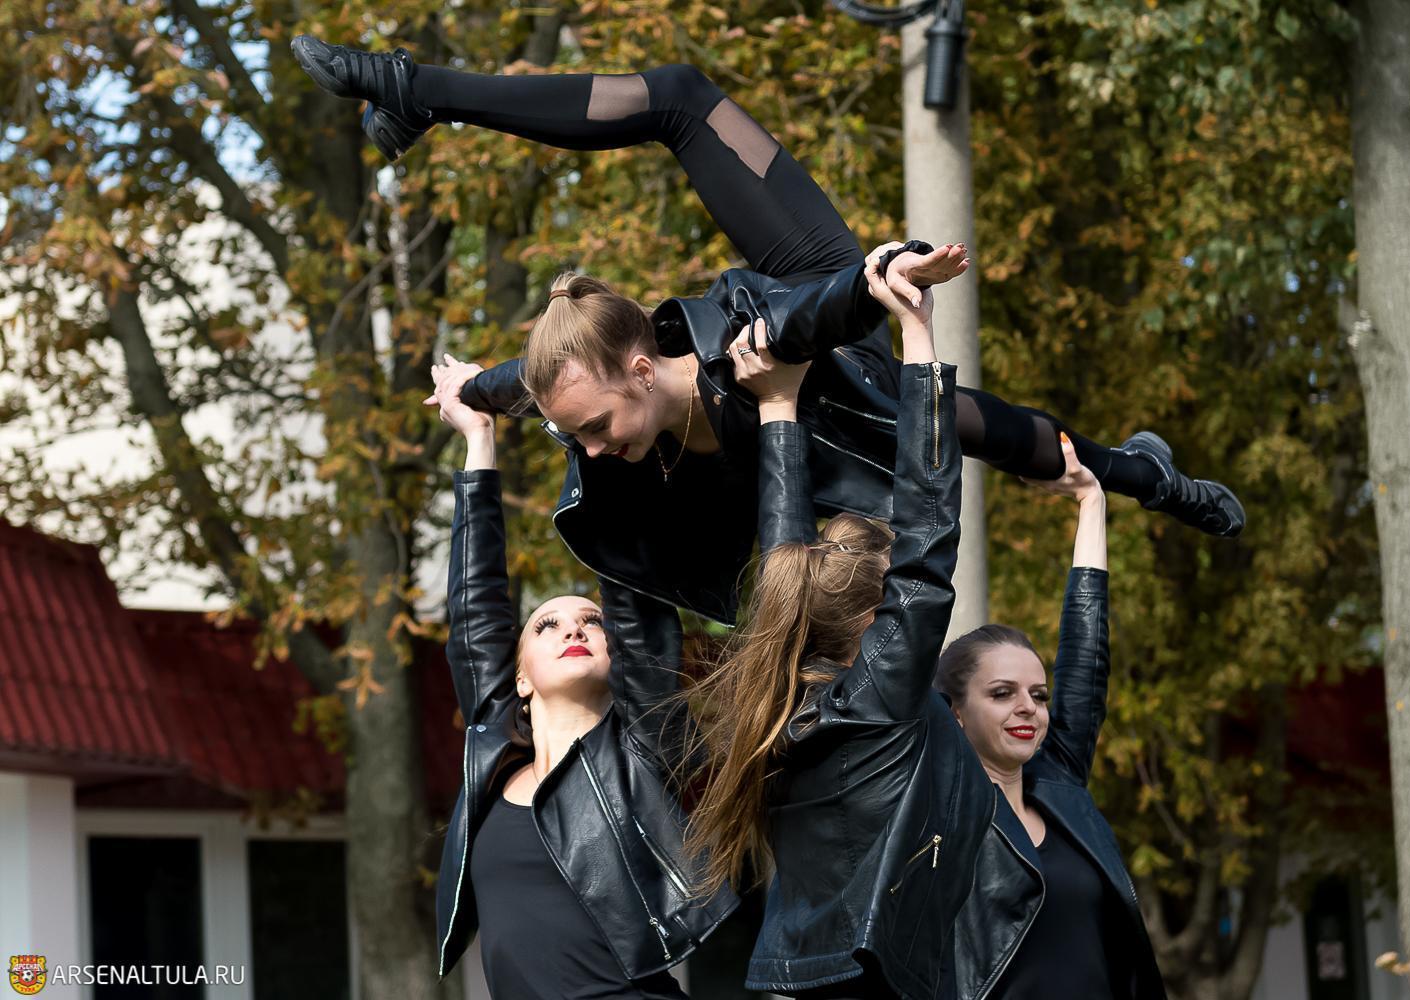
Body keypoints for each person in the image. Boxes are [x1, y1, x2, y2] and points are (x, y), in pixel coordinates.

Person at [293, 41, 1245, 626]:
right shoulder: (602, 396)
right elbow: (530, 384)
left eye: (593, 428)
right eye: (576, 432)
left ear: (640, 367)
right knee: (986, 431)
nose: (588, 450)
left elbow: (814, 314)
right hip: (842, 390)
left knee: (677, 94)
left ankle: (420, 89)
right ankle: (1146, 474)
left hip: (823, 320)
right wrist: (474, 390)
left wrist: (883, 274)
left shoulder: (743, 344)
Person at [682, 274, 992, 999]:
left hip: (801, 975)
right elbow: (929, 522)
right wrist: (918, 334)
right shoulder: (879, 699)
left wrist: (779, 409)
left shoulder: (781, 697)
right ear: (876, 618)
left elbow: (786, 559)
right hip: (872, 980)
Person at [430, 367, 735, 996]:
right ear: (518, 677)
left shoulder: (643, 747)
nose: (573, 627)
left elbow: (628, 582)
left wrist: (595, 435)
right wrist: (479, 440)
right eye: (546, 625)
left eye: (592, 621)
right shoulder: (492, 755)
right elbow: (475, 607)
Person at [938, 440, 1167, 999]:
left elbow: (1087, 657)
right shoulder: (935, 810)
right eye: (1002, 693)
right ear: (955, 712)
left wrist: (1091, 502)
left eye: (1039, 695)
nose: (1029, 707)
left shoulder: (1059, 787)